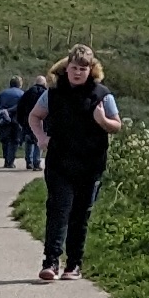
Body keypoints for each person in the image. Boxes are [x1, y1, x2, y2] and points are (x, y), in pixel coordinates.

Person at [34, 42, 122, 282]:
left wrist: (103, 121)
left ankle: (73, 265)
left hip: (90, 164)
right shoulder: (53, 93)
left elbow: (117, 125)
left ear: (91, 70)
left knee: (80, 215)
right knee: (58, 210)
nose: (78, 72)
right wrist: (41, 138)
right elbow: (34, 116)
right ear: (67, 67)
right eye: (74, 67)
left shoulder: (102, 95)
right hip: (60, 163)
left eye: (83, 69)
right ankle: (51, 262)